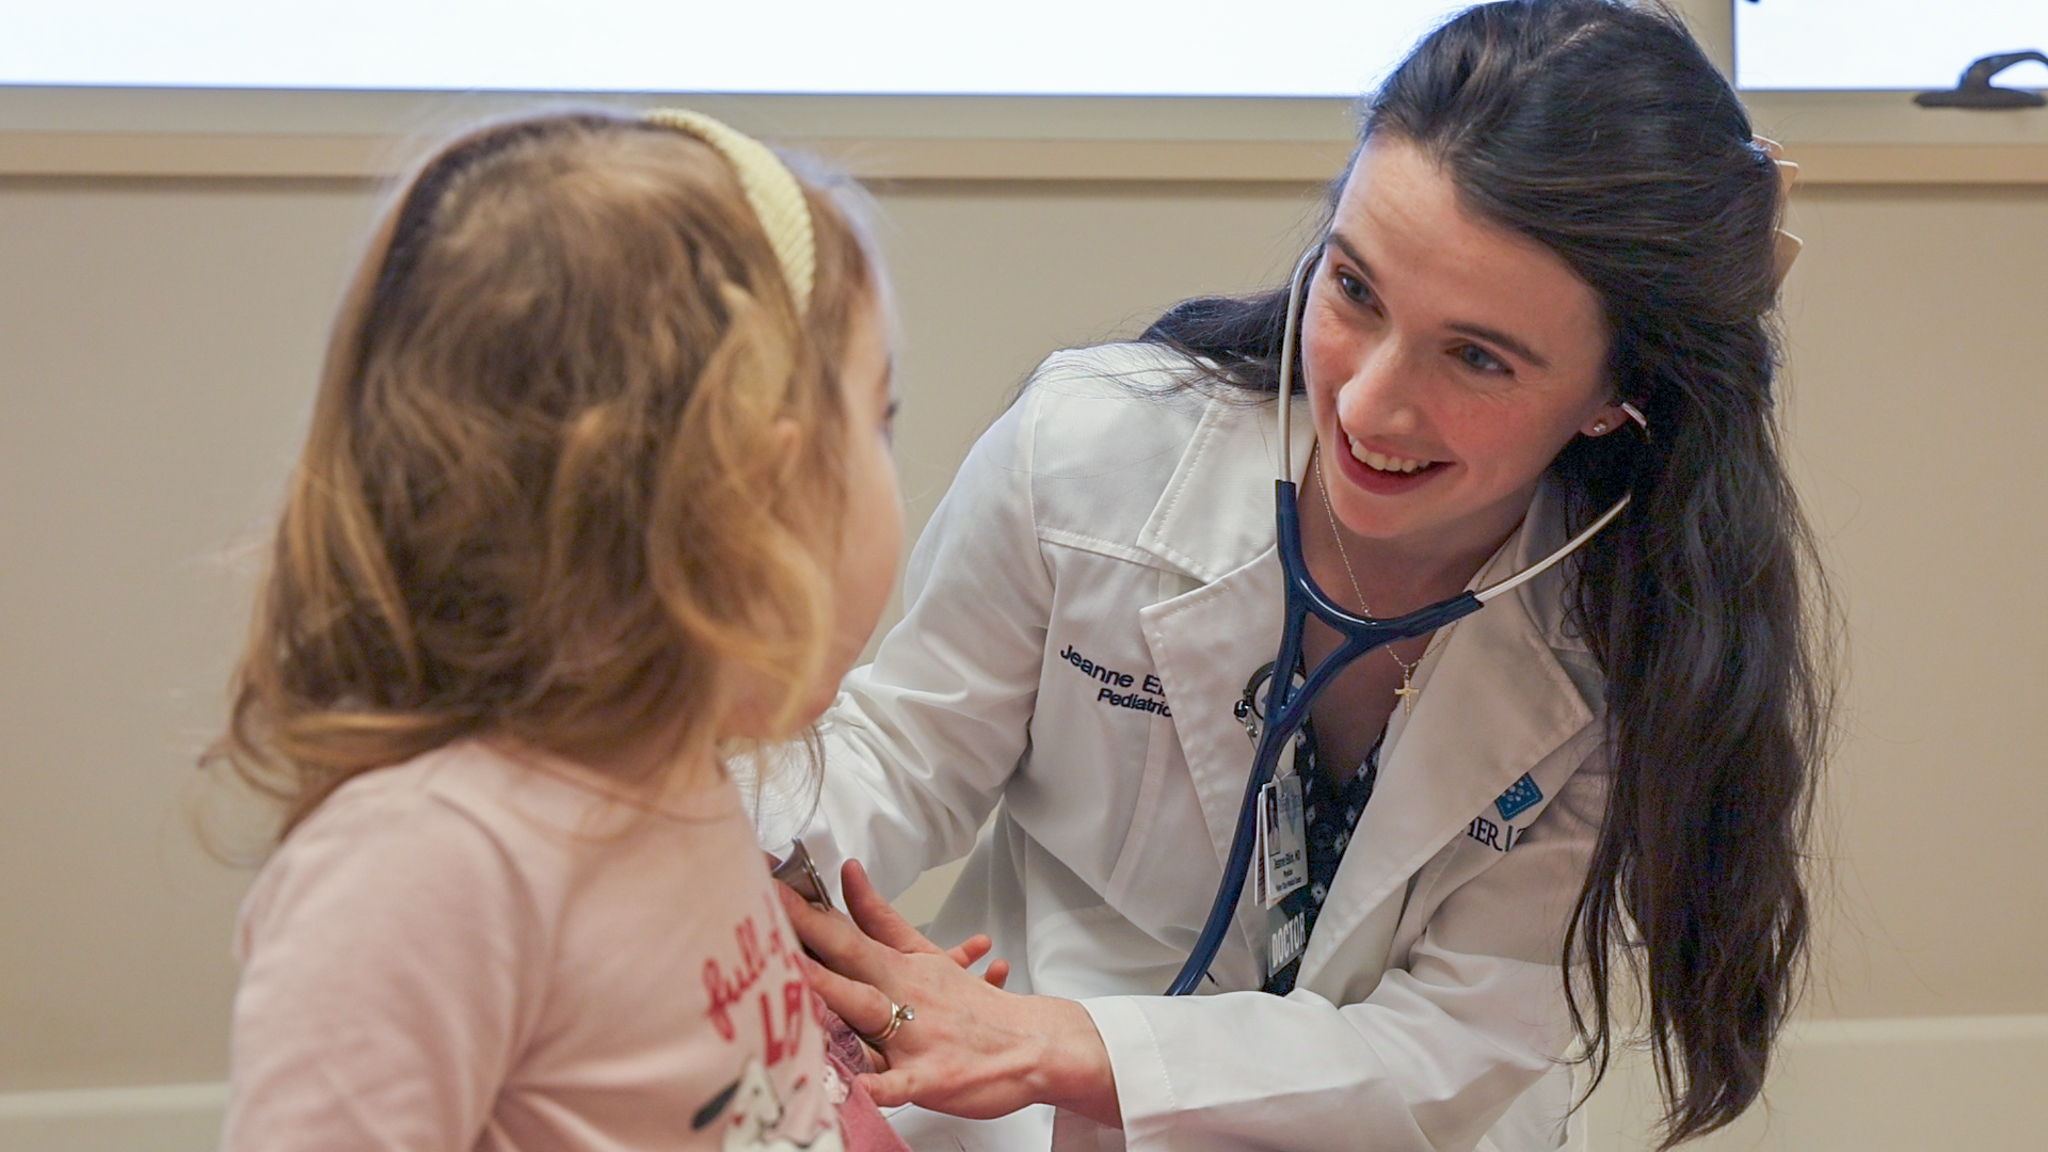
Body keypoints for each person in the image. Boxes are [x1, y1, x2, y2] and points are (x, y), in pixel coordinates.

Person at [766, 3, 1834, 1150]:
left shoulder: (1632, 631)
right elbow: (905, 756)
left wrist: (1073, 1048)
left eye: (1475, 356)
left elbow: (1451, 1042)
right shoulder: (1088, 454)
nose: (1369, 405)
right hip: (1021, 1111)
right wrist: (713, 853)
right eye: (1354, 290)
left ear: (1617, 394)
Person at [209, 109, 937, 1152]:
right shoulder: (425, 870)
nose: (891, 460)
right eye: (880, 417)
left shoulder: (682, 778)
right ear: (756, 498)